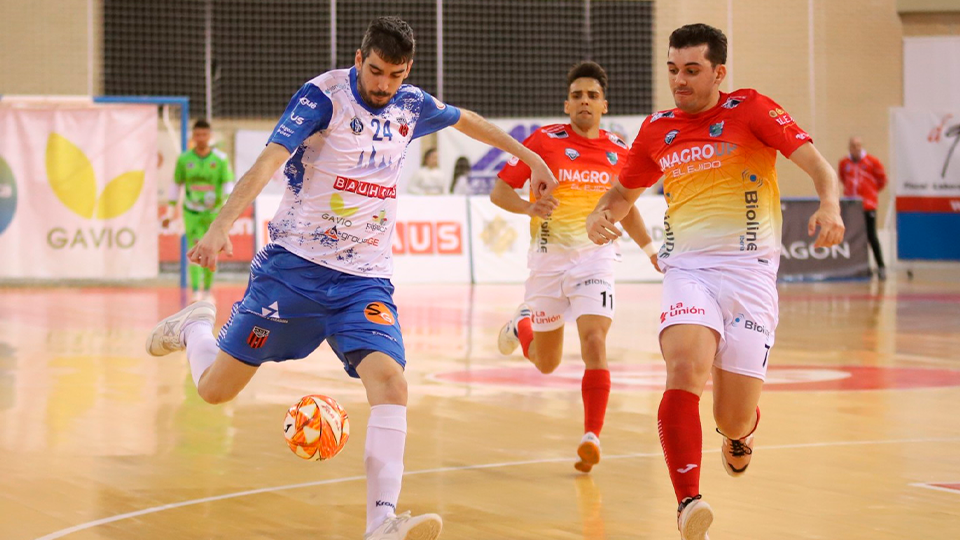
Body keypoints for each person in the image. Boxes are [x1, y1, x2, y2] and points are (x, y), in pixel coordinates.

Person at [145, 16, 558, 540]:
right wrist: (222, 224)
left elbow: (466, 119)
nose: (384, 85)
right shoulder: (323, 98)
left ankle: (381, 521)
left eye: (396, 75)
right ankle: (194, 328)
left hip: (364, 279)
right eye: (377, 71)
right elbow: (268, 162)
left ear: (407, 71)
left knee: (391, 381)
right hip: (293, 270)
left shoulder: (411, 104)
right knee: (215, 391)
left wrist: (530, 155)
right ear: (360, 59)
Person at [586, 24, 844, 540]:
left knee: (732, 415)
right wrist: (599, 215)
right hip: (689, 271)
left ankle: (740, 433)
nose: (679, 80)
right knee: (684, 366)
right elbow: (619, 193)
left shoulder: (751, 109)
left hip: (750, 277)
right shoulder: (658, 129)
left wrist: (830, 202)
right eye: (673, 69)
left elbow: (818, 165)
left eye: (692, 70)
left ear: (719, 72)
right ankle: (688, 503)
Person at [492, 61, 659, 474]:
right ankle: (521, 326)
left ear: (604, 104)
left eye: (593, 95)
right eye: (578, 95)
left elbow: (627, 207)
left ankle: (591, 436)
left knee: (595, 344)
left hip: (595, 259)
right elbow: (499, 192)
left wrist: (652, 249)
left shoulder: (620, 150)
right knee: (547, 363)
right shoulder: (542, 142)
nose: (585, 101)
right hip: (548, 260)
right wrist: (530, 206)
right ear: (567, 103)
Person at [168, 119, 234, 301]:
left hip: (213, 213)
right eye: (197, 134)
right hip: (191, 212)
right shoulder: (184, 159)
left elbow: (228, 183)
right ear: (193, 136)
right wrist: (169, 209)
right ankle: (196, 290)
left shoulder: (220, 159)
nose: (201, 138)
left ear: (210, 136)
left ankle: (208, 291)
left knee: (212, 250)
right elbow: (176, 184)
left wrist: (228, 207)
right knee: (194, 248)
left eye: (204, 134)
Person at [838, 136, 887, 279]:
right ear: (850, 147)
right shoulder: (844, 163)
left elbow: (882, 180)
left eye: (859, 145)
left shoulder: (872, 162)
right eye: (854, 145)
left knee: (871, 236)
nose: (856, 148)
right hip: (852, 206)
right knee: (854, 236)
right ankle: (858, 267)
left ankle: (881, 266)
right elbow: (842, 178)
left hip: (867, 205)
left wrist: (870, 194)